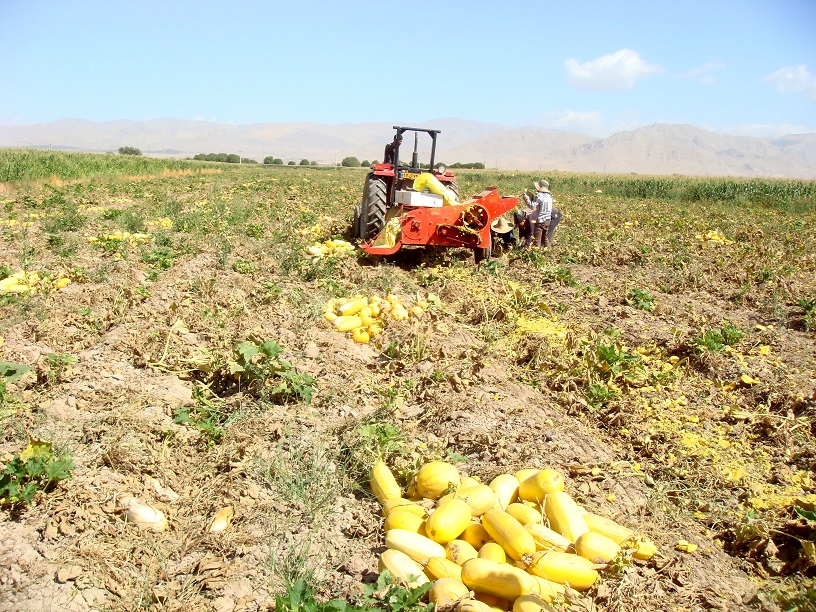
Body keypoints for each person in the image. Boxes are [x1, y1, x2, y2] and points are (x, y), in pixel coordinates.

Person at [530, 179, 553, 248]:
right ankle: (549, 251)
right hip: (548, 220)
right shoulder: (549, 196)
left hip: (540, 220)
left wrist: (527, 199)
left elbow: (532, 206)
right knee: (545, 238)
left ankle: (536, 254)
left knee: (537, 239)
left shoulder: (539, 195)